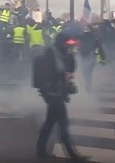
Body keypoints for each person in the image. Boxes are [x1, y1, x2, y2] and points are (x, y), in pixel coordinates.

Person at [35, 32, 89, 162]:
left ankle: (40, 149)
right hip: (52, 93)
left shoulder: (64, 54)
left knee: (50, 122)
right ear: (60, 43)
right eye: (67, 45)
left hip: (59, 92)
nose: (69, 47)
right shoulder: (50, 55)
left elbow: (70, 69)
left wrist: (70, 58)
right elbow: (49, 75)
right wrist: (62, 76)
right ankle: (72, 154)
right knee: (63, 124)